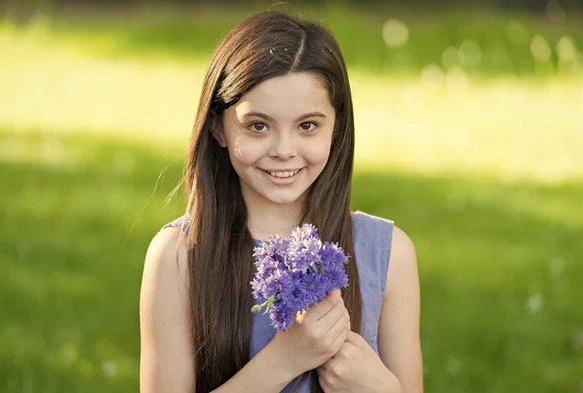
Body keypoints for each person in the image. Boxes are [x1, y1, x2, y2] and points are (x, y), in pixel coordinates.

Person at [139, 10, 422, 393]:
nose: (284, 151)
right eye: (258, 126)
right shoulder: (178, 257)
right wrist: (283, 361)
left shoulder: (389, 255)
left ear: (336, 128)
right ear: (218, 128)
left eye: (308, 125)